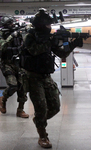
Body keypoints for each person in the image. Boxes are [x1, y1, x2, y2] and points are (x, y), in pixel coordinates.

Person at [21, 8, 83, 148]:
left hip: (46, 77)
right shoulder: (29, 37)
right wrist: (50, 41)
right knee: (41, 108)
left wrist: (73, 44)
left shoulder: (48, 38)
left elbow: (61, 54)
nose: (50, 27)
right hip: (33, 77)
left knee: (55, 107)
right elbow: (34, 51)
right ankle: (43, 136)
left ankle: (39, 120)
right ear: (41, 25)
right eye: (48, 25)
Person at [0, 16, 29, 118]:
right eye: (10, 24)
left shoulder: (18, 33)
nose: (13, 25)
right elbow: (2, 47)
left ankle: (20, 110)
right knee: (13, 85)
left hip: (19, 63)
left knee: (22, 87)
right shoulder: (1, 35)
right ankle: (3, 98)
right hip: (7, 64)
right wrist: (12, 36)